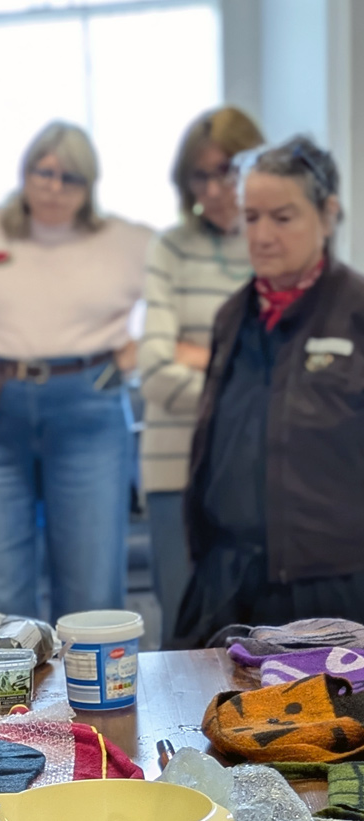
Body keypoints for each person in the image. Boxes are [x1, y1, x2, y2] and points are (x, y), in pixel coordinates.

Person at [0, 121, 151, 623]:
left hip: (89, 407)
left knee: (92, 585)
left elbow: (179, 306)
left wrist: (132, 355)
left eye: (70, 178)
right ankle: (13, 679)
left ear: (89, 185)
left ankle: (93, 680)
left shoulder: (129, 242)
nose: (54, 187)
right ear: (25, 172)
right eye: (43, 172)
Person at [178, 136, 363, 646]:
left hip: (332, 589)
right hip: (227, 583)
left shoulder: (356, 313)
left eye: (282, 218)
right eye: (251, 217)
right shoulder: (231, 317)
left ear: (327, 215)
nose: (261, 236)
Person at [139, 107, 263, 642]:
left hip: (258, 468)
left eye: (226, 171)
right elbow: (154, 370)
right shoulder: (171, 247)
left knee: (259, 635)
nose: (214, 190)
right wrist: (242, 383)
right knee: (185, 632)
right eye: (200, 176)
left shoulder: (274, 242)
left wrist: (200, 353)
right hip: (176, 468)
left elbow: (288, 370)